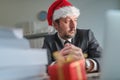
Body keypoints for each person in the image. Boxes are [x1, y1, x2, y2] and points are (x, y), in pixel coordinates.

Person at [42, 0, 102, 73]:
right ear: (55, 25)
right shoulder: (49, 40)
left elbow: (103, 59)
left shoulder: (87, 35)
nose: (73, 26)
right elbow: (43, 66)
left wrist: (86, 64)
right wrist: (58, 64)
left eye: (75, 20)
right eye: (67, 21)